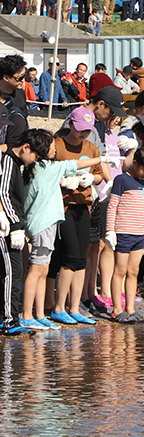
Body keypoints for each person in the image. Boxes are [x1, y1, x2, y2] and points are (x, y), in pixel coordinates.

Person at [21, 132, 111, 331]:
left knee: (43, 270)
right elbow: (74, 165)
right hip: (42, 224)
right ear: (45, 150)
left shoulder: (43, 167)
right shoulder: (48, 167)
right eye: (53, 146)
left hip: (48, 223)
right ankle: (27, 315)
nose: (56, 149)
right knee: (36, 271)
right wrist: (103, 159)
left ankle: (38, 314)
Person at [49, 107, 104, 324]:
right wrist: (63, 181)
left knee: (81, 259)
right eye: (80, 129)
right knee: (70, 256)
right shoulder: (58, 145)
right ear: (70, 124)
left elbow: (99, 175)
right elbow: (47, 172)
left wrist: (92, 180)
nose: (83, 134)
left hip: (84, 206)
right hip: (63, 207)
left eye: (87, 131)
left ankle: (74, 307)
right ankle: (58, 307)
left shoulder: (91, 148)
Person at [105, 146, 144, 323]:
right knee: (120, 270)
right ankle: (117, 309)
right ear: (134, 162)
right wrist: (110, 231)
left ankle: (130, 308)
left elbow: (143, 210)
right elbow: (112, 206)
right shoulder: (122, 180)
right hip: (122, 232)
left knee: (134, 271)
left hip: (138, 234)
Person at [0, 127, 45, 335]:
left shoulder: (18, 164)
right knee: (12, 272)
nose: (35, 160)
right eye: (35, 154)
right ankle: (10, 320)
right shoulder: (9, 160)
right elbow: (3, 193)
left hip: (13, 224)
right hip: (7, 227)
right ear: (26, 147)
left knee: (11, 271)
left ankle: (6, 317)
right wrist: (15, 224)